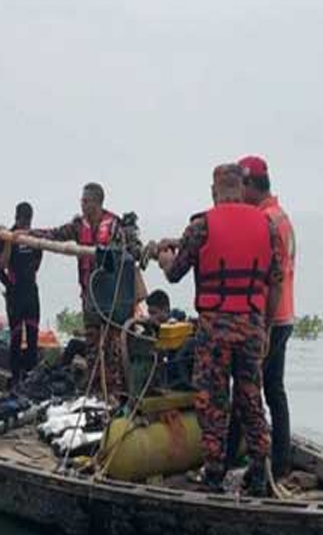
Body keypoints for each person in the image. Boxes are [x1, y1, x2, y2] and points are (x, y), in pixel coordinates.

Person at [156, 164, 282, 495]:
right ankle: (259, 470)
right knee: (250, 396)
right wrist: (266, 328)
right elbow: (276, 284)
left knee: (212, 400)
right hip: (253, 326)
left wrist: (163, 256)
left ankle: (213, 472)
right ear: (241, 188)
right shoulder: (267, 225)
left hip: (215, 329)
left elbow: (175, 272)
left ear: (214, 190)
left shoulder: (201, 226)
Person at [32, 182, 126, 398]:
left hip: (110, 300)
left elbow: (125, 258)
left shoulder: (114, 227)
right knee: (92, 347)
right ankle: (94, 392)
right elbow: (55, 234)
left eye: (85, 201)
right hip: (89, 298)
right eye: (81, 201)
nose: (82, 205)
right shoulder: (78, 226)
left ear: (96, 202)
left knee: (111, 348)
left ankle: (112, 392)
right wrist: (28, 233)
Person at [239, 154, 297, 478]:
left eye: (239, 187)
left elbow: (269, 278)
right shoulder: (280, 215)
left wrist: (262, 325)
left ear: (249, 185)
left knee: (250, 391)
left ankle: (257, 462)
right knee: (274, 390)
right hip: (284, 315)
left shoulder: (266, 221)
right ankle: (282, 460)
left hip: (270, 318)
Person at [0, 202, 43, 383]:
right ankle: (16, 377)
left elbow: (37, 262)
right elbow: (0, 266)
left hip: (31, 290)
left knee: (33, 334)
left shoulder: (33, 237)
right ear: (17, 218)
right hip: (15, 293)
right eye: (23, 220)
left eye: (27, 221)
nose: (25, 224)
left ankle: (31, 373)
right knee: (15, 336)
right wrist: (9, 285)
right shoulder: (7, 236)